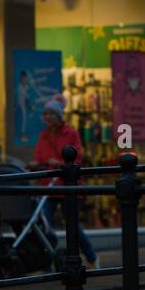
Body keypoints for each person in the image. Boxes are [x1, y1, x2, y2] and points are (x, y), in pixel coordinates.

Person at [33, 98, 100, 268]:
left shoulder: (70, 133)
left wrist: (59, 163)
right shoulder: (43, 135)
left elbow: (77, 159)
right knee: (44, 226)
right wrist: (35, 164)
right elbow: (39, 157)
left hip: (66, 185)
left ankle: (91, 257)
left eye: (51, 114)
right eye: (45, 114)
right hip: (48, 186)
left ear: (59, 115)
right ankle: (48, 263)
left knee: (73, 227)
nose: (47, 117)